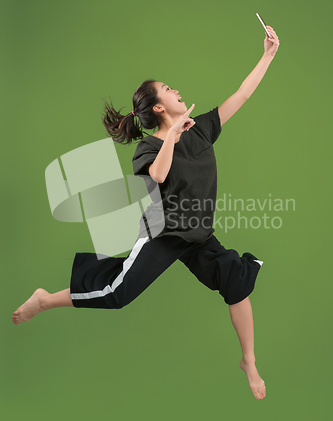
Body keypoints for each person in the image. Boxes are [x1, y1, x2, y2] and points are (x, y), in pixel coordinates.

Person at [12, 25, 280, 400]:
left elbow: (242, 94)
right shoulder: (147, 149)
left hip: (199, 235)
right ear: (158, 107)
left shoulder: (201, 129)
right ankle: (45, 299)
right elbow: (158, 175)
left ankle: (249, 361)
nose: (176, 90)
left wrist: (268, 53)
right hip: (164, 234)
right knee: (116, 292)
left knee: (236, 281)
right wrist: (172, 136)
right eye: (168, 89)